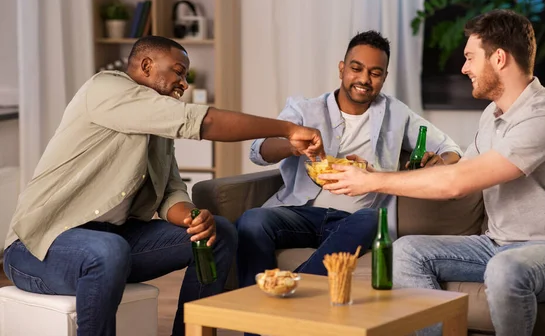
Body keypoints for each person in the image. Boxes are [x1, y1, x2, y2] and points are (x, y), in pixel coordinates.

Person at [2, 36, 325, 336]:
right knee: (108, 249)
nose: (183, 84)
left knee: (219, 233)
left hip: (111, 241)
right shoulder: (104, 89)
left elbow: (171, 192)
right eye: (178, 72)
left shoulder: (157, 130)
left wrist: (192, 217)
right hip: (39, 249)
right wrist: (287, 128)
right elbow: (202, 121)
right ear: (146, 66)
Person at [320, 10, 545, 336]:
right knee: (407, 252)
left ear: (498, 58)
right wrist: (378, 170)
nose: (464, 68)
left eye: (470, 58)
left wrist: (370, 182)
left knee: (505, 269)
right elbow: (462, 171)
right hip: (497, 244)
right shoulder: (493, 116)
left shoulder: (544, 118)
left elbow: (456, 184)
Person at [236, 31, 462, 291]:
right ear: (342, 69)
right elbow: (257, 151)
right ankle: (255, 322)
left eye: (375, 73)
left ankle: (295, 289)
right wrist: (292, 145)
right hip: (301, 214)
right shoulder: (304, 109)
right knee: (253, 221)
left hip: (355, 221)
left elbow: (450, 147)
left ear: (384, 78)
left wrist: (440, 163)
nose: (364, 79)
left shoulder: (397, 113)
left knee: (371, 218)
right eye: (357, 68)